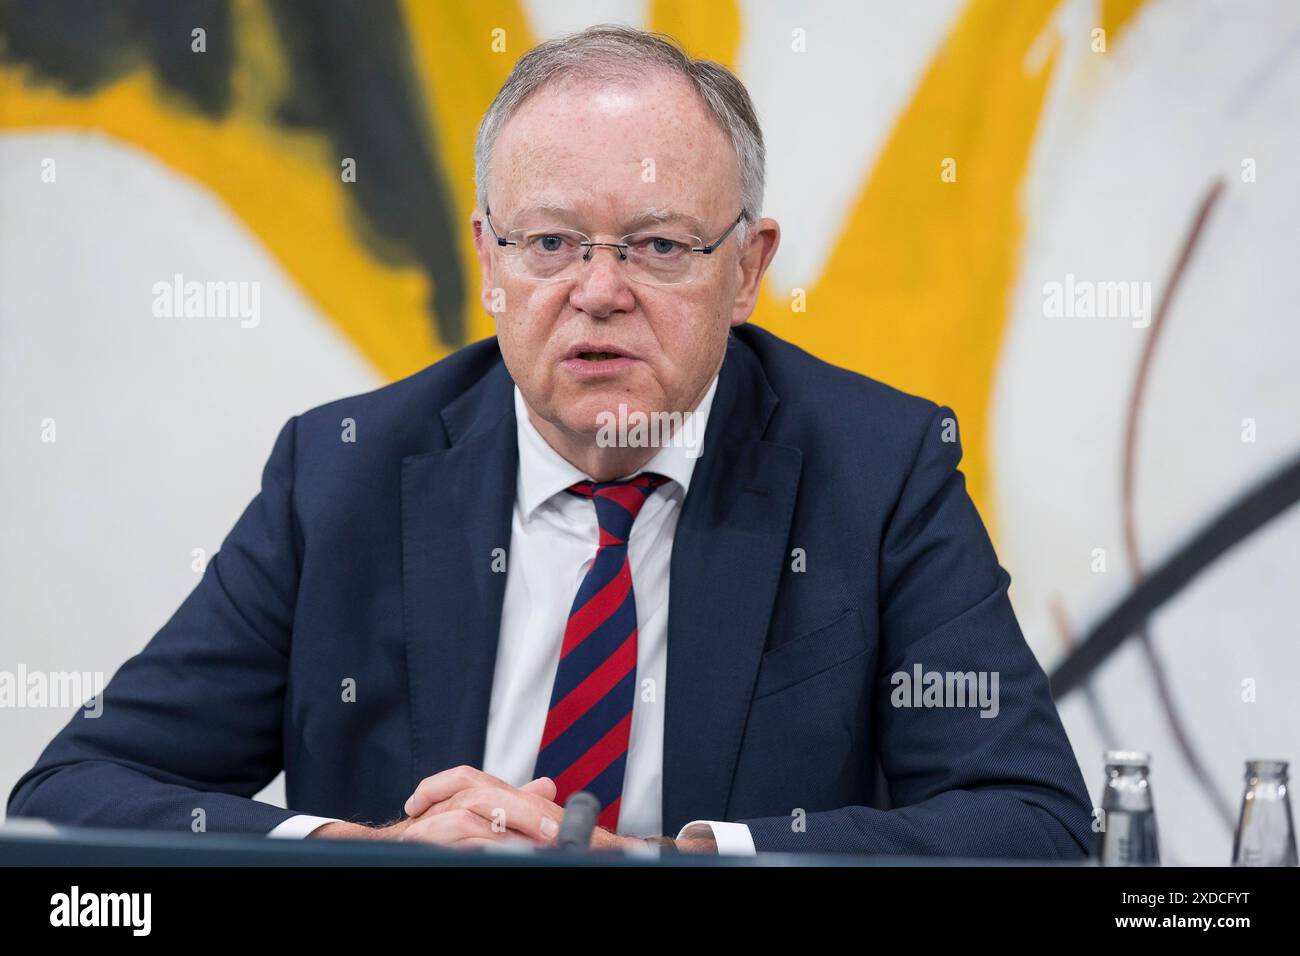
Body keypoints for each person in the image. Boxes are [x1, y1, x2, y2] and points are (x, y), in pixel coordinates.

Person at [8, 24, 1092, 858]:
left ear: (748, 269)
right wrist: (366, 854)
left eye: (659, 246)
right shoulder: (340, 473)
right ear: (487, 260)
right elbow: (76, 789)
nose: (598, 291)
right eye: (549, 242)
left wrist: (675, 857)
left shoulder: (879, 469)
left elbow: (1031, 822)